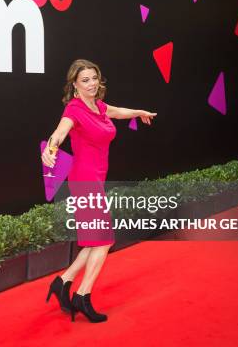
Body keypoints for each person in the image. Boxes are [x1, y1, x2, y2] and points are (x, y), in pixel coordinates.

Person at [42, 59, 156, 323]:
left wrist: (139, 112)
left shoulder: (98, 106)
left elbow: (117, 111)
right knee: (104, 240)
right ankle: (82, 296)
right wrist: (51, 149)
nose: (92, 84)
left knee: (96, 241)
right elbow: (59, 132)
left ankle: (62, 282)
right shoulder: (74, 109)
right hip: (84, 181)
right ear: (74, 85)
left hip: (95, 179)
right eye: (85, 80)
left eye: (94, 78)